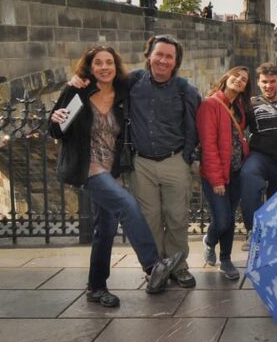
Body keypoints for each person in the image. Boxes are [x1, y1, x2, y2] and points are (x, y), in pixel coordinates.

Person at [49, 46, 182, 307]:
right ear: (89, 66)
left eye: (109, 62)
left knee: (105, 230)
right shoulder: (77, 91)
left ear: (115, 65)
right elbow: (56, 130)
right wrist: (55, 119)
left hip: (112, 168)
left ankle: (96, 288)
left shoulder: (123, 90)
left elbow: (152, 77)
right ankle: (153, 265)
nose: (104, 67)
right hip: (88, 168)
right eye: (98, 63)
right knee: (127, 204)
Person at [69, 35, 202, 287]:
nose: (162, 60)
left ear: (175, 62)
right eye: (158, 54)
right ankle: (155, 270)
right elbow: (101, 81)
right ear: (148, 56)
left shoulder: (185, 89)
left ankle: (178, 266)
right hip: (141, 162)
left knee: (176, 217)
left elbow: (196, 124)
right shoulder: (131, 82)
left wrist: (189, 156)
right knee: (148, 216)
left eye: (168, 57)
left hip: (174, 159)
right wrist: (76, 82)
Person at [197, 66, 251, 280]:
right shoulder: (210, 104)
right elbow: (208, 146)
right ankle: (209, 241)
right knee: (223, 219)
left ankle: (226, 259)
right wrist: (217, 179)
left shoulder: (238, 106)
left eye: (244, 79)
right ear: (226, 77)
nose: (239, 80)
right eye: (236, 75)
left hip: (236, 171)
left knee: (229, 217)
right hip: (216, 174)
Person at [240, 63, 277, 250]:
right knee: (249, 176)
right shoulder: (251, 104)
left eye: (273, 82)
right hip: (259, 155)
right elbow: (236, 125)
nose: (269, 86)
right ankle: (253, 229)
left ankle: (275, 233)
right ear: (258, 83)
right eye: (265, 82)